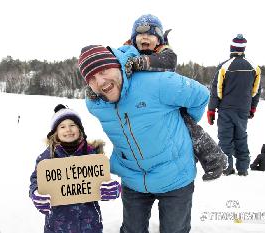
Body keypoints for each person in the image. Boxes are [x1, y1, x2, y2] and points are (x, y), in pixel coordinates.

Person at [78, 44, 209, 233]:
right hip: (133, 179)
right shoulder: (95, 104)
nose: (100, 81)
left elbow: (201, 96)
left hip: (175, 175)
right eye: (91, 78)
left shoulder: (158, 83)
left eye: (104, 70)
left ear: (117, 64)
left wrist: (183, 124)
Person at [121, 14, 227, 181]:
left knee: (187, 126)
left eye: (150, 34)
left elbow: (169, 61)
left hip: (166, 102)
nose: (145, 37)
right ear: (134, 38)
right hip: (140, 102)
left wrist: (140, 62)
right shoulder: (126, 52)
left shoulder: (164, 52)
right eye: (140, 34)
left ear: (159, 39)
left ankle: (214, 158)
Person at [29, 104, 121, 233]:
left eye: (72, 125)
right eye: (62, 126)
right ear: (55, 132)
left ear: (80, 129)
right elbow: (36, 181)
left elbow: (103, 180)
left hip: (89, 224)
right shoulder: (47, 158)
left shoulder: (93, 155)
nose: (68, 130)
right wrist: (36, 193)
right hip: (58, 225)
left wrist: (112, 189)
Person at [207, 34, 261, 176]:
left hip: (226, 110)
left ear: (231, 48)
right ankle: (243, 169)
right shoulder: (254, 68)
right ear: (243, 49)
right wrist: (253, 107)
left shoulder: (224, 66)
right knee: (241, 138)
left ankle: (227, 168)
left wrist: (211, 110)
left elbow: (216, 90)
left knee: (225, 140)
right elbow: (256, 91)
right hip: (243, 109)